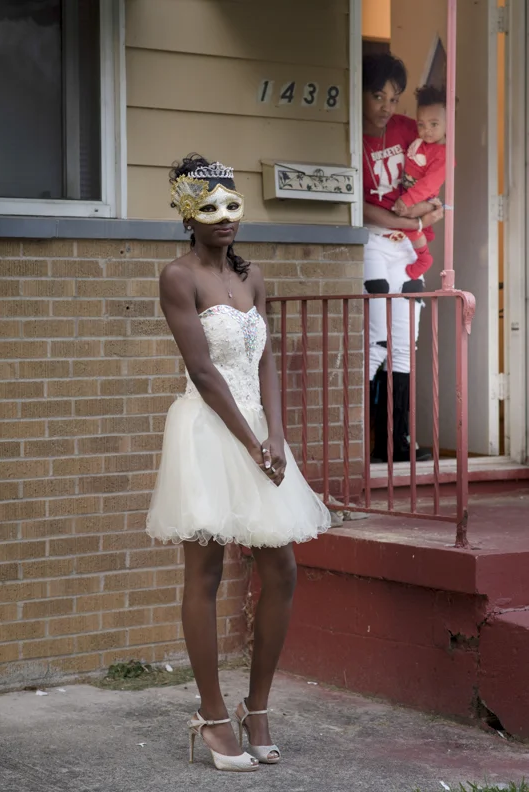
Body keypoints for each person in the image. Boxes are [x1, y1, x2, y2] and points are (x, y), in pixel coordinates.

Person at [146, 154, 330, 772]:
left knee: (281, 569)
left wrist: (276, 433)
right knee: (204, 572)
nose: (225, 218)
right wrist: (250, 444)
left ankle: (258, 709)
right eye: (210, 207)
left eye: (232, 205)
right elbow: (203, 370)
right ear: (186, 215)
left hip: (259, 432)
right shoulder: (178, 277)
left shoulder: (253, 279)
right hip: (208, 431)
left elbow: (268, 359)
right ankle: (213, 715)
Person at [362, 53, 445, 463]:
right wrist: (414, 221)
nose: (386, 108)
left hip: (407, 249)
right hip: (374, 243)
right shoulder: (349, 135)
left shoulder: (408, 129)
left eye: (394, 99)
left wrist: (432, 206)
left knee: (404, 344)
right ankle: (358, 439)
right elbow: (357, 207)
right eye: (378, 96)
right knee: (376, 340)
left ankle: (396, 442)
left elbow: (434, 171)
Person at [392, 84, 448, 280]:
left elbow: (428, 185)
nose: (427, 130)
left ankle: (424, 259)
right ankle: (427, 231)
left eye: (434, 124)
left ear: (449, 123)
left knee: (409, 225)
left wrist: (407, 200)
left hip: (420, 198)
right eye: (421, 124)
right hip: (410, 192)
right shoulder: (422, 142)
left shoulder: (443, 155)